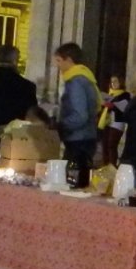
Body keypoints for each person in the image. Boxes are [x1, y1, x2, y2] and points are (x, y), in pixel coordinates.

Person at [52, 42, 100, 173]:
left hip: (78, 140)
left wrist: (60, 125)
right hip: (86, 137)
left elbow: (80, 116)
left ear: (69, 59)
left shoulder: (75, 82)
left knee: (71, 179)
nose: (58, 65)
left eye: (59, 61)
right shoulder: (85, 77)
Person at [98, 75, 130, 167]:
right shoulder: (110, 94)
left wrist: (112, 105)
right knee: (105, 144)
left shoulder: (125, 94)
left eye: (115, 81)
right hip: (107, 121)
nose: (113, 84)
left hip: (117, 122)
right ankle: (105, 165)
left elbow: (124, 107)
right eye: (112, 82)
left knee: (111, 145)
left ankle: (112, 166)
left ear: (120, 82)